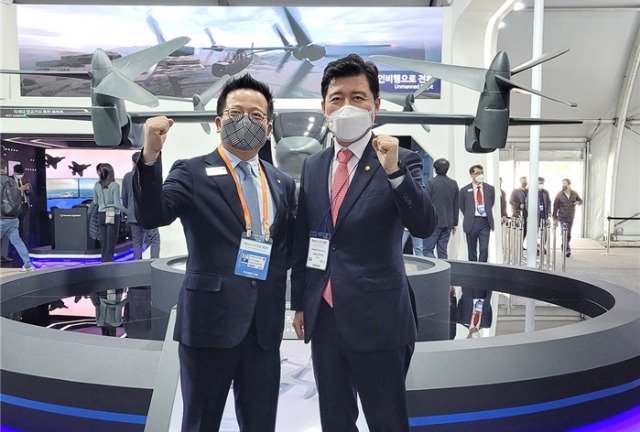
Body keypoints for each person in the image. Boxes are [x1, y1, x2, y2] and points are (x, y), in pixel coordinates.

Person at [134, 74, 297, 432]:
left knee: (261, 424)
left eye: (256, 116)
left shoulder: (281, 182)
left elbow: (287, 248)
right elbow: (152, 215)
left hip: (264, 329)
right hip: (209, 325)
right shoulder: (192, 172)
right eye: (236, 113)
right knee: (200, 423)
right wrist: (150, 155)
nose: (246, 121)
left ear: (269, 128)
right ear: (219, 122)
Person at [290, 54, 437, 432]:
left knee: (386, 421)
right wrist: (300, 303)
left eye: (358, 97)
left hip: (379, 319)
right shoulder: (314, 165)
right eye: (337, 98)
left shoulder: (402, 159)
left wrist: (394, 172)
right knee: (335, 421)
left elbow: (423, 225)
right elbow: (306, 238)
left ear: (376, 105)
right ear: (323, 106)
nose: (347, 106)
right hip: (325, 317)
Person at [121, 151, 160, 259]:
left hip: (133, 214)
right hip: (148, 215)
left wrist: (129, 209)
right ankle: (153, 264)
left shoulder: (127, 176)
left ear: (133, 162)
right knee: (154, 239)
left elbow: (124, 197)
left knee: (136, 242)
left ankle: (137, 265)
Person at [0, 159, 35, 272]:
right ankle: (28, 264)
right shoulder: (11, 181)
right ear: (5, 168)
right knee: (18, 241)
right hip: (13, 217)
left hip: (2, 217)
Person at [422, 158, 459, 259]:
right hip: (448, 222)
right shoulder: (453, 183)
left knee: (427, 250)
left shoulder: (430, 182)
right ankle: (444, 268)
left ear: (434, 169)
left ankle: (436, 268)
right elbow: (456, 204)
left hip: (433, 222)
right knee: (442, 251)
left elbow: (426, 202)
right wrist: (455, 223)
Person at [459, 164, 495, 262]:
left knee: (484, 248)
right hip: (472, 222)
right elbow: (462, 206)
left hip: (485, 222)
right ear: (472, 175)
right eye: (478, 173)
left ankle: (483, 268)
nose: (481, 175)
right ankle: (473, 269)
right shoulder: (464, 190)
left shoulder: (490, 189)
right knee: (472, 250)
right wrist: (470, 214)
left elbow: (491, 203)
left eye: (482, 173)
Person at [92, 163, 127, 262]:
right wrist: (128, 212)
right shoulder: (115, 185)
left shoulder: (96, 185)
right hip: (111, 214)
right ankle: (108, 263)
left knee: (104, 243)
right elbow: (117, 204)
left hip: (101, 215)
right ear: (111, 173)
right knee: (111, 243)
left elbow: (95, 202)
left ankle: (103, 262)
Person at [552, 178, 583, 257]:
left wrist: (578, 202)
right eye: (562, 184)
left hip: (571, 217)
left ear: (569, 185)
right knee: (564, 232)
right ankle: (567, 249)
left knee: (568, 234)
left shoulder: (574, 194)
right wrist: (554, 217)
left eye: (565, 183)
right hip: (562, 217)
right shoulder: (559, 194)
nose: (563, 185)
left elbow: (581, 201)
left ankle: (564, 246)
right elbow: (555, 206)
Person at [11, 164, 32, 247]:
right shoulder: (9, 180)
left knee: (25, 228)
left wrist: (27, 189)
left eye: (22, 174)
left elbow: (31, 193)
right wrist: (19, 190)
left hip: (25, 206)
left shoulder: (26, 179)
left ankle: (25, 247)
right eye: (18, 173)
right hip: (14, 207)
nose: (20, 175)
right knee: (15, 229)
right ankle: (14, 249)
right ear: (14, 172)